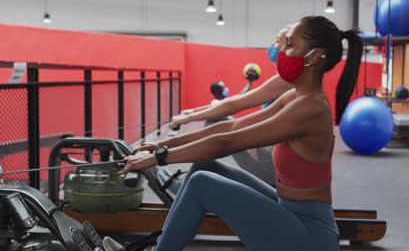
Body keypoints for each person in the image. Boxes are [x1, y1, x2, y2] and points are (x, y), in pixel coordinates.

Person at [105, 15, 363, 251]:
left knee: (201, 184)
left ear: (314, 56)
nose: (281, 52)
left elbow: (230, 141)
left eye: (289, 45)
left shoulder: (311, 108)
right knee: (205, 167)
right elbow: (232, 126)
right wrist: (165, 145)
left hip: (309, 236)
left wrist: (159, 157)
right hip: (289, 210)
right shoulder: (294, 96)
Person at [170, 26, 293, 127]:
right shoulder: (281, 78)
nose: (272, 44)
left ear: (288, 48)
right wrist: (193, 112)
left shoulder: (286, 80)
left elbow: (237, 103)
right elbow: (237, 100)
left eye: (277, 40)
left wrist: (191, 117)